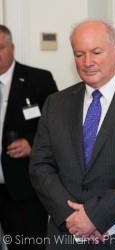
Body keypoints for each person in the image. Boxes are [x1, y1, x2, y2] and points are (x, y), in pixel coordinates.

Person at [29, 20, 115, 250]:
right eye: (79, 54)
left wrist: (95, 216)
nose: (87, 62)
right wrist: (72, 218)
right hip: (66, 237)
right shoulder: (56, 103)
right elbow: (40, 166)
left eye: (96, 52)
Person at [0, 24, 58, 250]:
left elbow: (56, 127)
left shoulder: (38, 80)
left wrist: (31, 143)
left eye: (0, 48)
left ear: (12, 48)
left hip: (23, 191)